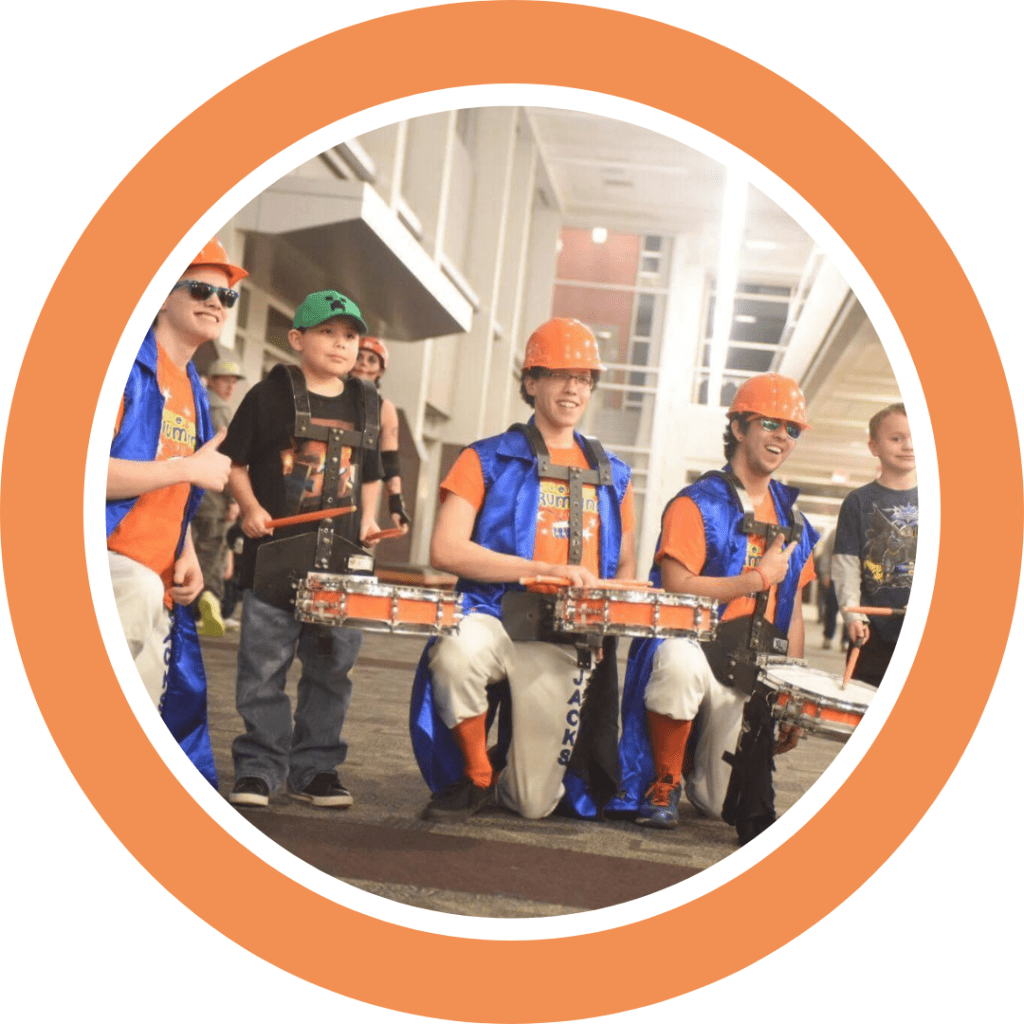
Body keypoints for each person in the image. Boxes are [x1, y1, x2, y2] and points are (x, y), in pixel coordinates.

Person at [410, 317, 636, 822]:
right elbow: (446, 549)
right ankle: (476, 775)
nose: (573, 387)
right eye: (558, 373)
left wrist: (604, 619)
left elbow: (621, 566)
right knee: (455, 655)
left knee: (534, 804)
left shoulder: (615, 475)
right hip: (492, 614)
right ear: (531, 382)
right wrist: (538, 567)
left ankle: (509, 769)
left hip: (564, 636)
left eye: (583, 377)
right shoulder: (483, 457)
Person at [610, 373, 818, 843]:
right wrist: (754, 579)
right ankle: (663, 780)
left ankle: (697, 765)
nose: (782, 436)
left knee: (720, 804)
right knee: (678, 660)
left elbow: (795, 609)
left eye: (793, 429)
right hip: (697, 650)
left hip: (750, 665)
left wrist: (794, 694)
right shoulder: (695, 504)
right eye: (770, 422)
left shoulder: (794, 519)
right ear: (740, 428)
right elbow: (677, 586)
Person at [220, 290, 383, 809]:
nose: (341, 344)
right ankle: (260, 767)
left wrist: (372, 519)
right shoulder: (267, 396)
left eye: (350, 336)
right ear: (298, 339)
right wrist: (248, 508)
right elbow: (235, 463)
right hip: (274, 560)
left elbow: (373, 474)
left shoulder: (368, 402)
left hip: (343, 565)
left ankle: (316, 769)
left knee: (332, 670)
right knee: (263, 668)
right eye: (327, 332)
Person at [106, 238, 246, 787]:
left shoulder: (192, 388)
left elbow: (172, 491)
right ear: (161, 295)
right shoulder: (121, 369)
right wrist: (185, 471)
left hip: (157, 573)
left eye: (227, 296)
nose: (216, 301)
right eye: (202, 288)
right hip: (110, 563)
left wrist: (185, 552)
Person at [833, 403, 917, 686]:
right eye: (896, 438)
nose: (908, 445)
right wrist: (852, 614)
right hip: (872, 633)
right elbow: (846, 565)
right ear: (874, 446)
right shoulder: (858, 502)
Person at [192, 358, 245, 637]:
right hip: (214, 497)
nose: (230, 386)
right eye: (225, 380)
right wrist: (234, 499)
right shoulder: (221, 410)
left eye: (234, 381)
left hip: (192, 493)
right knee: (213, 552)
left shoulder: (194, 402)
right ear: (210, 380)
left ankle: (195, 608)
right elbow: (229, 457)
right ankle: (207, 608)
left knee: (195, 551)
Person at [349, 337, 411, 533]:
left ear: (381, 371)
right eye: (359, 357)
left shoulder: (384, 409)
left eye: (371, 360)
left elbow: (390, 461)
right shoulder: (331, 393)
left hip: (360, 492)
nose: (363, 363)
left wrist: (396, 504)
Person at [814, 528, 839, 649]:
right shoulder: (835, 532)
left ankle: (847, 640)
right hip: (835, 576)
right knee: (831, 608)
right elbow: (826, 554)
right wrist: (825, 573)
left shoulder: (860, 530)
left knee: (852, 610)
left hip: (853, 577)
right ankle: (828, 636)